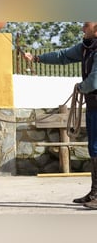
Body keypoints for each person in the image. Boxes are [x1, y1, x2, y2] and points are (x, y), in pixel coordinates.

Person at [23, 22, 97, 210]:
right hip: (93, 105)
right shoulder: (86, 47)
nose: (82, 29)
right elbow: (62, 56)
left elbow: (94, 81)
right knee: (93, 149)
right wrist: (37, 58)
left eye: (86, 26)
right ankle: (95, 192)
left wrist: (81, 87)